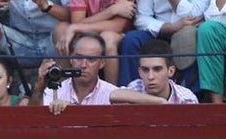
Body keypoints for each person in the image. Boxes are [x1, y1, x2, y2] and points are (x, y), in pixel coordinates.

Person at [30, 31, 170, 112]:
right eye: (79, 58)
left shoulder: (111, 93)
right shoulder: (55, 91)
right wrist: (39, 87)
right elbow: (31, 119)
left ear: (102, 63)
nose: (84, 65)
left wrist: (162, 102)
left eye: (91, 59)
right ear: (71, 59)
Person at [126, 38, 199, 102]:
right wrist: (159, 101)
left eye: (157, 69)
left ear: (171, 71)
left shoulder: (186, 100)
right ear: (140, 72)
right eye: (145, 70)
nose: (150, 77)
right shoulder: (133, 89)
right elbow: (114, 92)